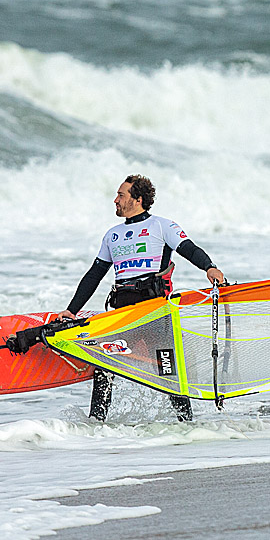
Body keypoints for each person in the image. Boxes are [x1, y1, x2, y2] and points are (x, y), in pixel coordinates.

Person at [56, 174, 225, 422]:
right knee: (104, 365)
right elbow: (95, 274)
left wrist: (209, 267)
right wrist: (72, 310)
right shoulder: (112, 235)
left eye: (121, 195)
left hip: (154, 308)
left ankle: (187, 425)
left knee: (168, 370)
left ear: (137, 199)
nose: (115, 200)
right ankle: (95, 423)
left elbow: (189, 249)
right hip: (122, 310)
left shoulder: (162, 226)